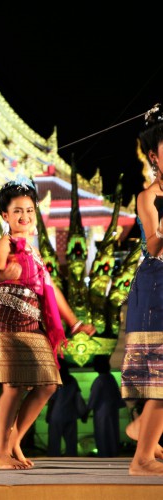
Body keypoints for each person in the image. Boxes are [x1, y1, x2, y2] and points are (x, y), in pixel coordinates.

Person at [0, 176, 95, 470]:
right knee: (13, 387)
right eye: (17, 211)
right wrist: (6, 273)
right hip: (7, 317)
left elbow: (50, 288)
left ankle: (14, 440)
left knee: (47, 384)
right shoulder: (4, 243)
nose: (25, 216)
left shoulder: (33, 251)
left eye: (30, 210)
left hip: (31, 320)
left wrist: (75, 323)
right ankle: (0, 454)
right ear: (5, 215)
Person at [120, 102, 163, 476]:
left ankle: (141, 430)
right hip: (156, 286)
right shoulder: (148, 196)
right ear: (154, 156)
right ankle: (142, 459)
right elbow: (152, 245)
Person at [46, 358, 86, 457]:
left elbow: (52, 400)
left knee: (54, 442)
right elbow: (77, 398)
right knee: (71, 443)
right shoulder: (72, 380)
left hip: (56, 415)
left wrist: (48, 414)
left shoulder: (55, 380)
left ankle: (54, 461)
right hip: (70, 415)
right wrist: (82, 413)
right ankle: (72, 460)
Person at [87, 355, 124, 458]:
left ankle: (104, 456)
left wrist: (86, 413)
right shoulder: (111, 378)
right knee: (112, 434)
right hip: (112, 412)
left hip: (101, 413)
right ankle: (113, 455)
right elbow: (118, 397)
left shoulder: (99, 380)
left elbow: (93, 399)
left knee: (102, 435)